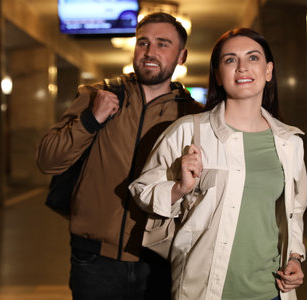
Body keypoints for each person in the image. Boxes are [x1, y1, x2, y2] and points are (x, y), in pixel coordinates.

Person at [129, 28, 307, 300]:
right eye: (230, 60)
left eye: (253, 58)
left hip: (271, 291)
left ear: (268, 71)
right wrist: (179, 188)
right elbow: (142, 189)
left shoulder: (290, 142)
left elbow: (294, 210)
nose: (242, 67)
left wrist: (295, 257)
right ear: (218, 75)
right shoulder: (188, 132)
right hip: (204, 289)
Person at [36, 12, 203, 300]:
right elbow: (48, 160)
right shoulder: (97, 96)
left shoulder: (193, 116)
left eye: (163, 44)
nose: (150, 52)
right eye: (143, 42)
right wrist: (91, 120)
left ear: (182, 56)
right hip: (95, 259)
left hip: (159, 258)